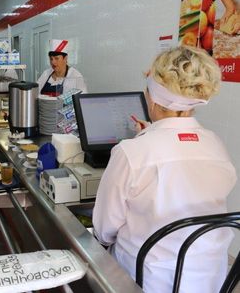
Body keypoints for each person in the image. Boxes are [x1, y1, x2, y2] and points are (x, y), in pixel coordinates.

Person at [92, 46, 237, 293]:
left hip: (147, 280)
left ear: (152, 96)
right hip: (211, 279)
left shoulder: (132, 152)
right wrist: (150, 134)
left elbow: (105, 229)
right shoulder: (216, 144)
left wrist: (144, 142)